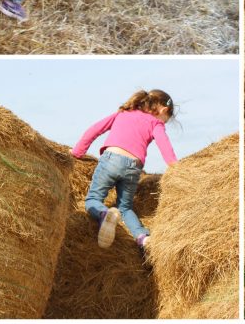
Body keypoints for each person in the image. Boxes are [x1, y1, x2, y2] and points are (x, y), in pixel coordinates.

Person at [71, 89, 179, 249]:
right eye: (166, 120)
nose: (164, 123)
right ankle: (143, 238)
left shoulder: (122, 114)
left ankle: (104, 214)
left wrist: (77, 152)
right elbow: (165, 145)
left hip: (111, 160)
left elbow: (94, 130)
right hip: (133, 168)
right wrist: (175, 168)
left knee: (93, 199)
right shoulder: (155, 123)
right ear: (164, 110)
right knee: (126, 208)